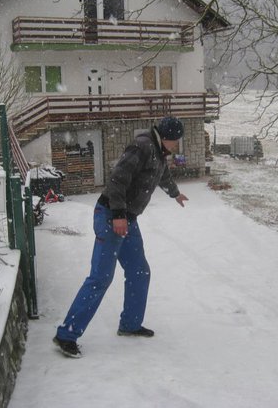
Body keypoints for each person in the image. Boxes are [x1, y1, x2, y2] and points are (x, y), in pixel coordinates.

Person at [53, 116, 189, 358]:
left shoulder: (158, 152)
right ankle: (66, 334)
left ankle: (130, 324)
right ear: (166, 137)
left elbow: (162, 175)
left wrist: (175, 194)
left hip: (128, 219)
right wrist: (117, 214)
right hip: (110, 216)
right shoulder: (143, 146)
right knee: (101, 278)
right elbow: (118, 178)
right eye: (176, 141)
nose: (177, 145)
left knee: (139, 271)